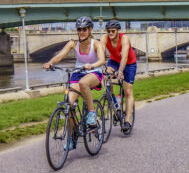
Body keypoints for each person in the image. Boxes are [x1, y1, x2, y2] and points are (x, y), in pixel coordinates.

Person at [43, 17, 105, 148]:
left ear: (90, 30)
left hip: (94, 72)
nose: (81, 32)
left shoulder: (96, 43)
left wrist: (92, 65)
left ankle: (92, 114)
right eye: (79, 29)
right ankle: (72, 137)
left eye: (84, 29)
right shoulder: (73, 43)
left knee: (83, 83)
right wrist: (50, 63)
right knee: (68, 106)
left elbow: (102, 60)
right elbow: (60, 55)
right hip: (78, 73)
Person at [100, 19, 137, 133]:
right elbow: (100, 53)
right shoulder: (105, 38)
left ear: (118, 31)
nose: (110, 33)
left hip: (129, 63)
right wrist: (104, 67)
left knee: (128, 91)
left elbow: (125, 56)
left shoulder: (124, 39)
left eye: (113, 31)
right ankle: (116, 107)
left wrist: (120, 71)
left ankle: (127, 121)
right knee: (106, 79)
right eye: (108, 31)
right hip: (114, 61)